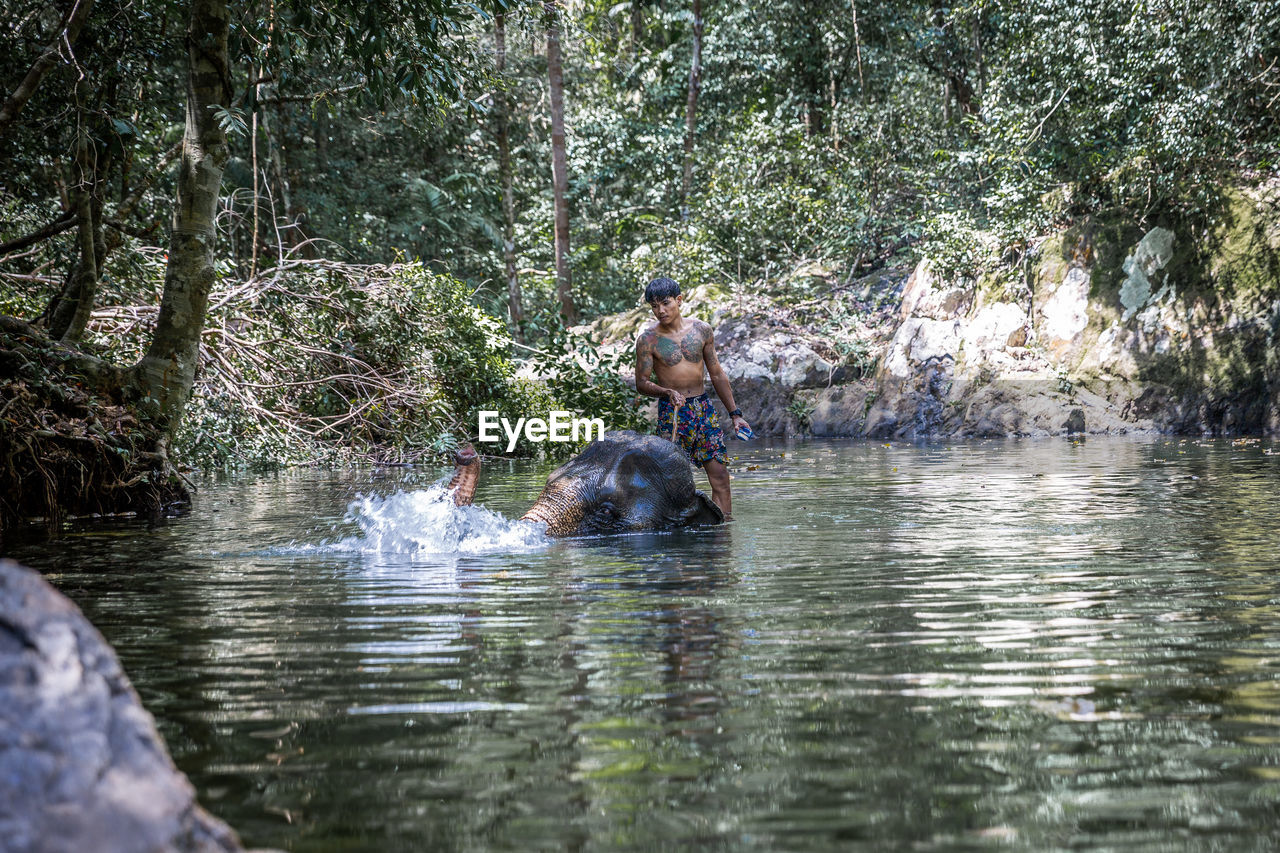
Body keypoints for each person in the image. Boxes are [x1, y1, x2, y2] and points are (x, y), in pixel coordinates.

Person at [634, 276, 750, 518]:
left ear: (679, 300)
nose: (660, 311)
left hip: (703, 409)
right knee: (672, 480)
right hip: (672, 412)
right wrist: (666, 391)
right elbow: (641, 383)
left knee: (720, 476)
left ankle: (723, 534)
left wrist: (735, 414)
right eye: (654, 306)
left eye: (665, 303)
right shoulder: (648, 339)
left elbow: (717, 373)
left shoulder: (701, 330)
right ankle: (677, 542)